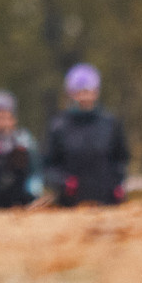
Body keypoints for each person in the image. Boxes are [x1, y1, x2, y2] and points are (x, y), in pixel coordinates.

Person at [44, 63, 129, 208]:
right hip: (70, 205)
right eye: (79, 92)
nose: (83, 97)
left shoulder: (110, 123)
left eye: (88, 91)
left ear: (96, 91)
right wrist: (62, 182)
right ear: (70, 93)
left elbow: (121, 159)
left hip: (107, 202)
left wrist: (117, 184)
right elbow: (48, 165)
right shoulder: (58, 126)